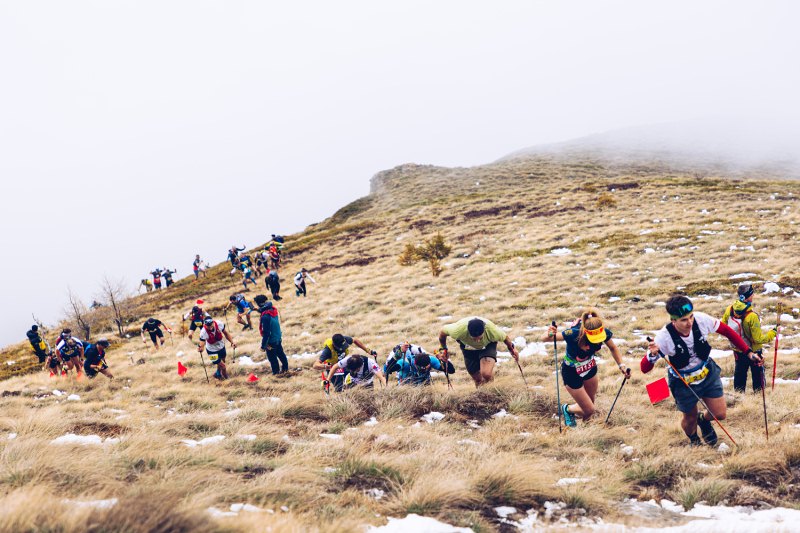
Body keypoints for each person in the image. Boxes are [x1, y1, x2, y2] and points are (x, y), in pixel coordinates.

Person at [642, 294, 755, 446]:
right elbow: (644, 368)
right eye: (683, 320)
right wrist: (652, 355)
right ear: (673, 320)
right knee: (690, 418)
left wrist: (748, 352)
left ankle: (704, 420)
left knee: (720, 413)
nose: (689, 322)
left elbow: (727, 331)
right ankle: (694, 440)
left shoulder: (701, 320)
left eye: (691, 317)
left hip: (707, 372)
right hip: (683, 382)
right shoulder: (663, 338)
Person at [542, 309, 630, 427]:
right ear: (586, 333)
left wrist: (621, 365)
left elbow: (613, 348)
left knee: (589, 406)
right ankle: (567, 409)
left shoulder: (602, 332)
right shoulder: (574, 333)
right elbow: (545, 338)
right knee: (589, 409)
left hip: (589, 369)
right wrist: (549, 332)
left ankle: (586, 430)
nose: (599, 341)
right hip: (571, 373)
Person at [721, 283, 778, 393]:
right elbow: (758, 339)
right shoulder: (752, 316)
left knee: (740, 374)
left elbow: (723, 326)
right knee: (758, 376)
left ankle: (738, 398)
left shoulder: (730, 309)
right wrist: (774, 332)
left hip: (737, 349)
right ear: (747, 297)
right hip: (754, 351)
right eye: (752, 294)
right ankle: (757, 399)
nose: (753, 296)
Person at [438, 316, 519, 387]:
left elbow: (505, 338)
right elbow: (442, 332)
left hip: (487, 345)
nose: (477, 341)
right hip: (468, 348)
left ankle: (491, 390)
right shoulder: (458, 331)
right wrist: (443, 348)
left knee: (486, 374)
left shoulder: (492, 331)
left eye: (480, 338)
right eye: (474, 338)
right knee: (477, 379)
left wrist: (512, 349)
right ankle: (481, 395)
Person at [312, 334, 377, 392]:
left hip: (344, 364)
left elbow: (355, 340)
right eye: (341, 347)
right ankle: (342, 400)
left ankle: (359, 394)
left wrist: (368, 351)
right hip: (333, 367)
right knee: (339, 388)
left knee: (352, 382)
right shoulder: (327, 350)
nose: (343, 348)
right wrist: (325, 366)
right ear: (335, 345)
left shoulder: (344, 339)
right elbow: (315, 365)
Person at [384, 343, 455, 385]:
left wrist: (445, 361)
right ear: (415, 363)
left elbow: (451, 371)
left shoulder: (431, 360)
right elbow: (387, 369)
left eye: (427, 367)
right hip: (406, 390)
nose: (424, 369)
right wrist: (397, 355)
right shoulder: (405, 363)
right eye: (422, 368)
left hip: (425, 388)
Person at [254, 294, 288, 375]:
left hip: (271, 340)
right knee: (281, 353)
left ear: (259, 303)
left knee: (272, 358)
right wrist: (257, 310)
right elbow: (264, 309)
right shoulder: (273, 309)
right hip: (278, 336)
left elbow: (267, 333)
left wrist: (263, 345)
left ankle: (276, 373)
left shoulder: (265, 316)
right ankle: (285, 369)